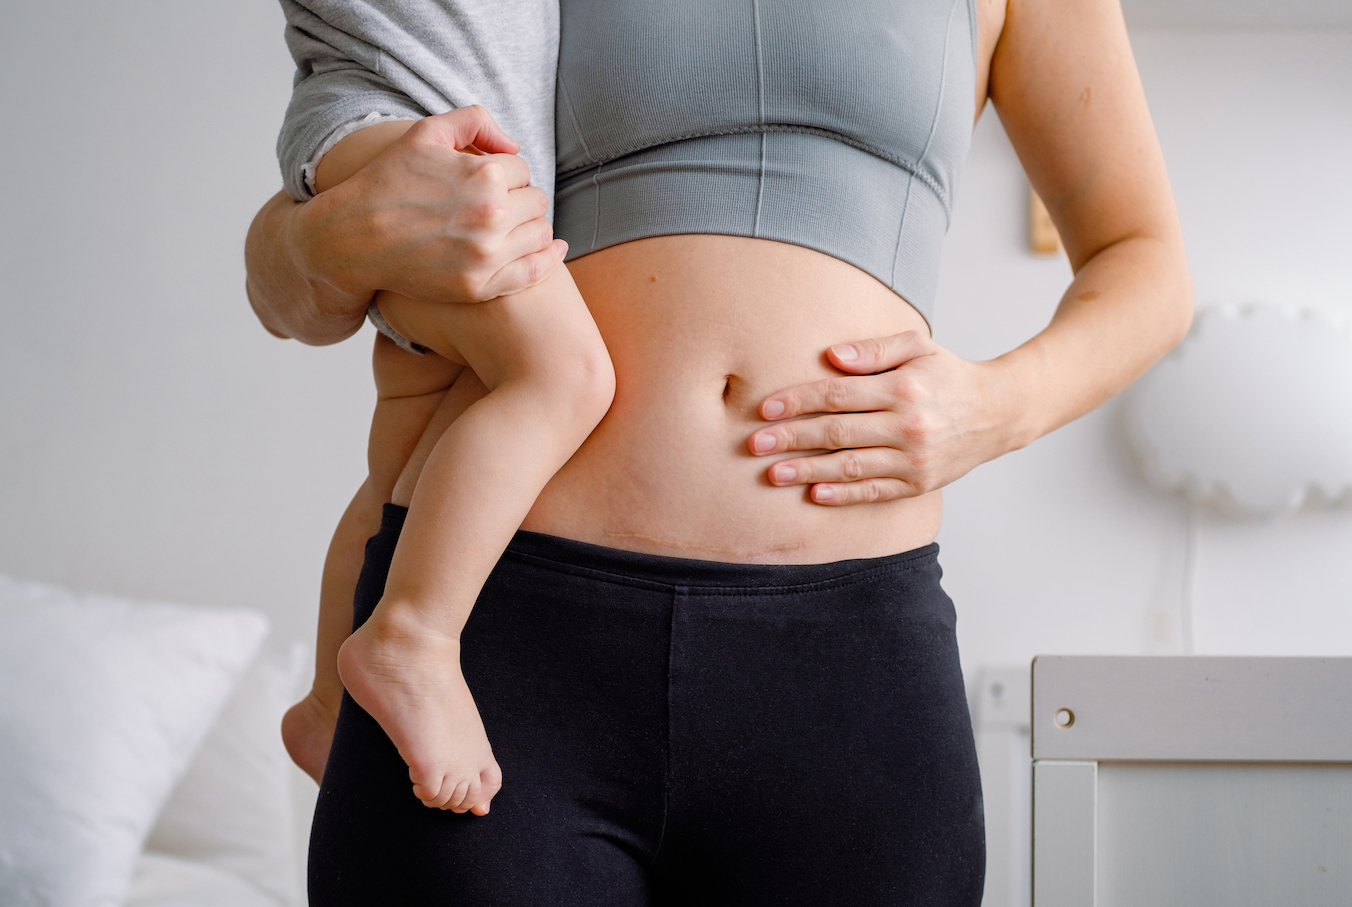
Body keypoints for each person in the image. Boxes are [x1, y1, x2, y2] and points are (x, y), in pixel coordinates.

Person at [247, 0, 1194, 902]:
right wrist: (319, 238)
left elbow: (1144, 260)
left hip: (846, 664)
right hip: (501, 637)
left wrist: (999, 405)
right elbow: (290, 258)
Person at [270, 0, 613, 818]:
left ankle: (326, 705)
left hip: (451, 151)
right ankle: (412, 636)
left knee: (406, 467)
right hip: (396, 133)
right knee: (567, 375)